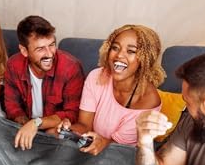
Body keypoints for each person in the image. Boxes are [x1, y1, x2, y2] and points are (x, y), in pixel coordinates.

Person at [59, 24, 164, 156]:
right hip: (89, 146)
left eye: (131, 51)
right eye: (115, 48)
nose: (119, 55)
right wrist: (69, 130)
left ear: (145, 59)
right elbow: (84, 126)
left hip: (120, 156)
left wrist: (99, 142)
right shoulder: (96, 76)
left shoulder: (148, 100)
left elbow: (119, 146)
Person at [4, 15, 84, 150]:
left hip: (54, 134)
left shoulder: (70, 68)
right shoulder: (13, 65)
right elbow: (12, 107)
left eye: (51, 45)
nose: (49, 54)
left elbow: (72, 113)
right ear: (24, 50)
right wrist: (26, 126)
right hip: (24, 127)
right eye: (40, 49)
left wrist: (36, 123)